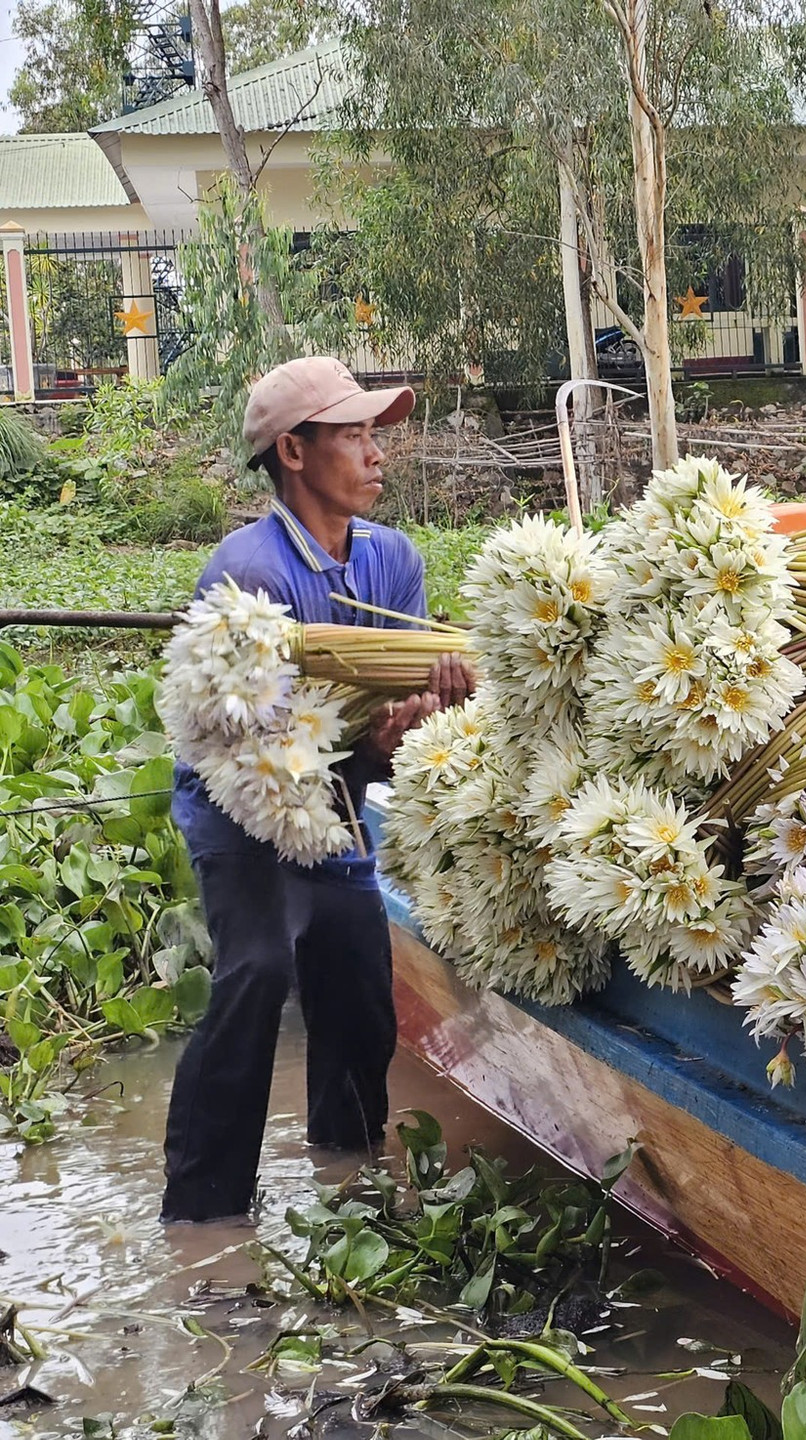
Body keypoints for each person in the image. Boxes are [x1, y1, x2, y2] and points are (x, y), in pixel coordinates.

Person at [161, 356, 475, 1224]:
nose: (377, 456)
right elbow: (247, 742)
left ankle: (352, 1178)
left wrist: (408, 725)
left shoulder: (394, 561)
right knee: (258, 969)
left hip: (335, 801)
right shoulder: (246, 575)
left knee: (358, 983)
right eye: (354, 437)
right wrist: (357, 742)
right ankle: (204, 1209)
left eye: (376, 436)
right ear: (293, 454)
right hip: (243, 806)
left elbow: (387, 732)